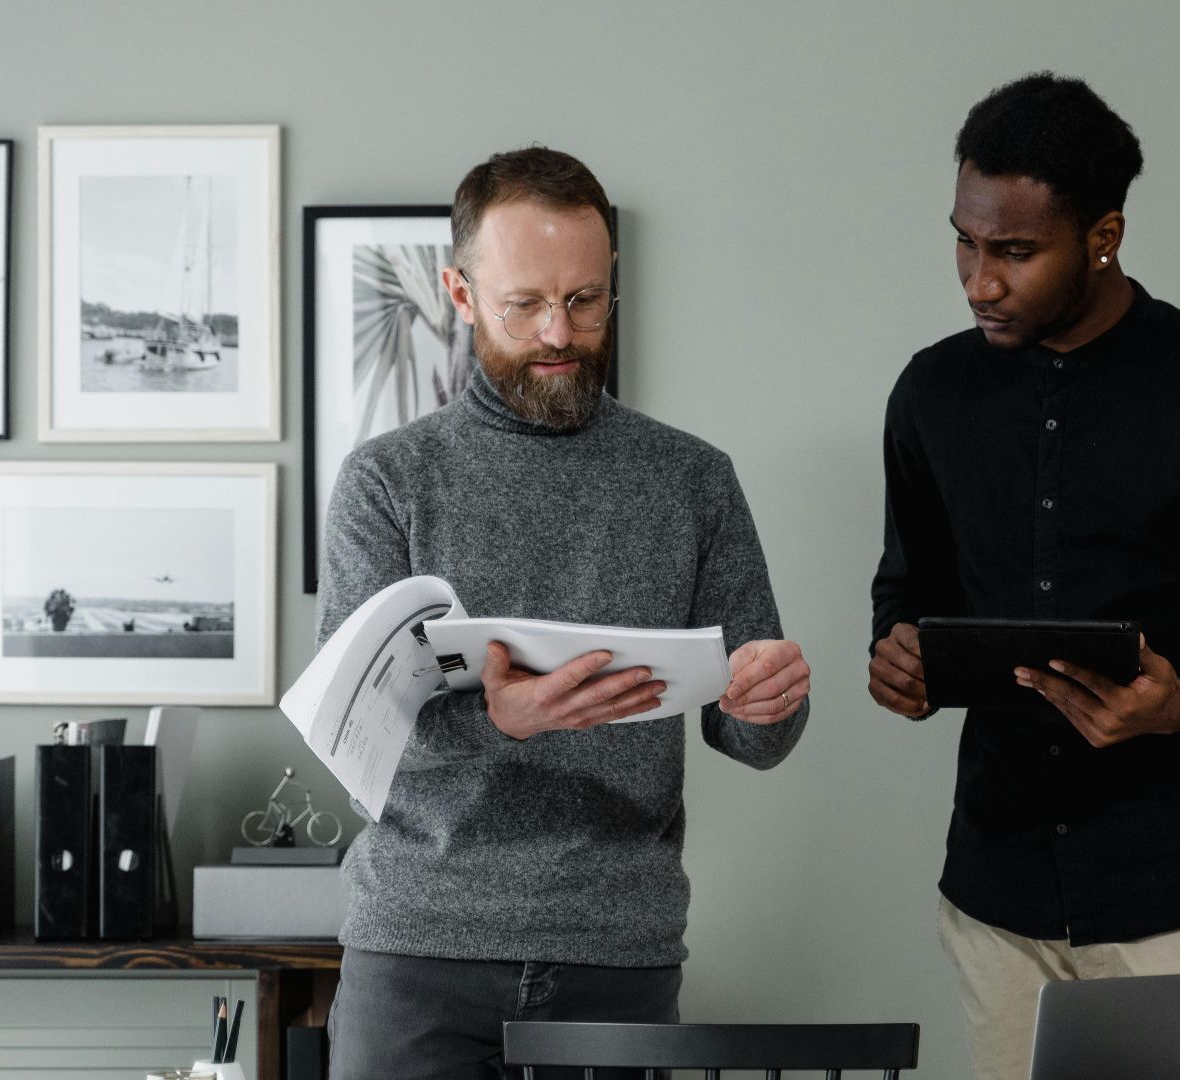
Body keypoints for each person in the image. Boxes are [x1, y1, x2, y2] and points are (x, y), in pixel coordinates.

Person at [867, 73, 1180, 1080]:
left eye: (1014, 252)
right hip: (1000, 897)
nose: (978, 281)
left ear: (1103, 235)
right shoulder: (933, 393)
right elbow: (908, 586)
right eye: (965, 241)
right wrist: (900, 657)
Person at [320, 146, 812, 1080]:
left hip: (617, 956)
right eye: (525, 304)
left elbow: (753, 735)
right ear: (460, 294)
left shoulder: (692, 480)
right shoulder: (386, 482)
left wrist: (769, 702)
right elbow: (352, 739)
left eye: (587, 302)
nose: (560, 332)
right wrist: (494, 722)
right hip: (418, 953)